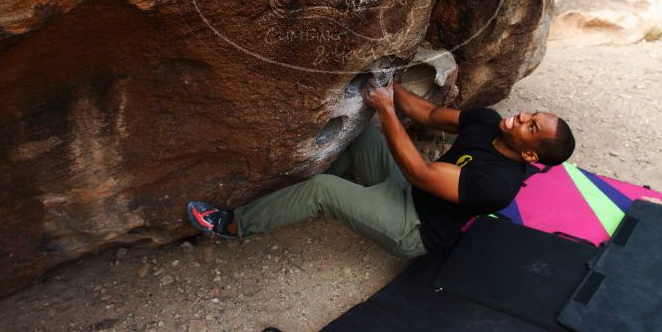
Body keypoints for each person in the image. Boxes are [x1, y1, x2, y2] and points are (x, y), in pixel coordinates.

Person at [187, 79, 575, 257]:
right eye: (532, 113)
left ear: (530, 156)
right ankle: (298, 198)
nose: (522, 116)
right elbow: (431, 112)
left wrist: (386, 108)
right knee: (363, 135)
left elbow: (420, 174)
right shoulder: (490, 121)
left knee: (323, 189)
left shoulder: (498, 185)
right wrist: (389, 84)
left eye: (532, 126)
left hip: (415, 228)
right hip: (408, 193)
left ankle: (233, 225)